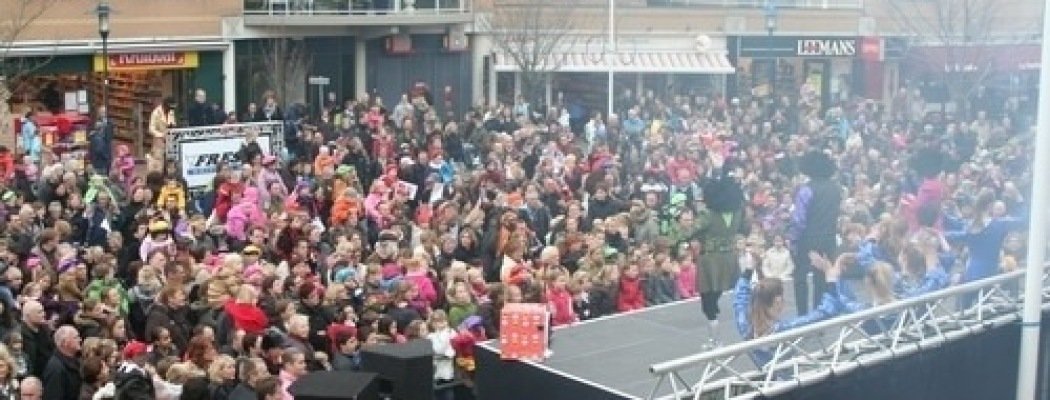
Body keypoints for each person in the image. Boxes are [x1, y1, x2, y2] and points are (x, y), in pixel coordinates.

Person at [734, 250, 844, 370]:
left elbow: (740, 299)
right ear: (778, 301)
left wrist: (748, 270)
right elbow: (825, 312)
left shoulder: (746, 325)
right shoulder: (786, 329)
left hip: (765, 380)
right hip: (788, 380)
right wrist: (831, 280)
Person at [788, 150, 842, 315]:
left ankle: (803, 314)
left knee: (800, 276)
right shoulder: (836, 188)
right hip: (829, 237)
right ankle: (819, 312)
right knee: (822, 276)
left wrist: (793, 240)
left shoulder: (806, 190)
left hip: (808, 239)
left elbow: (799, 220)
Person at [40, 325, 82, 400]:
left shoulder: (75, 361)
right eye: (76, 337)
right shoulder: (56, 369)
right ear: (65, 342)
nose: (80, 339)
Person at [89, 105, 115, 175]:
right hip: (100, 156)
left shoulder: (109, 123)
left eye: (104, 112)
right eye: (101, 112)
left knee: (107, 169)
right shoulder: (95, 122)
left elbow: (111, 135)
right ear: (99, 113)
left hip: (106, 146)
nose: (103, 114)